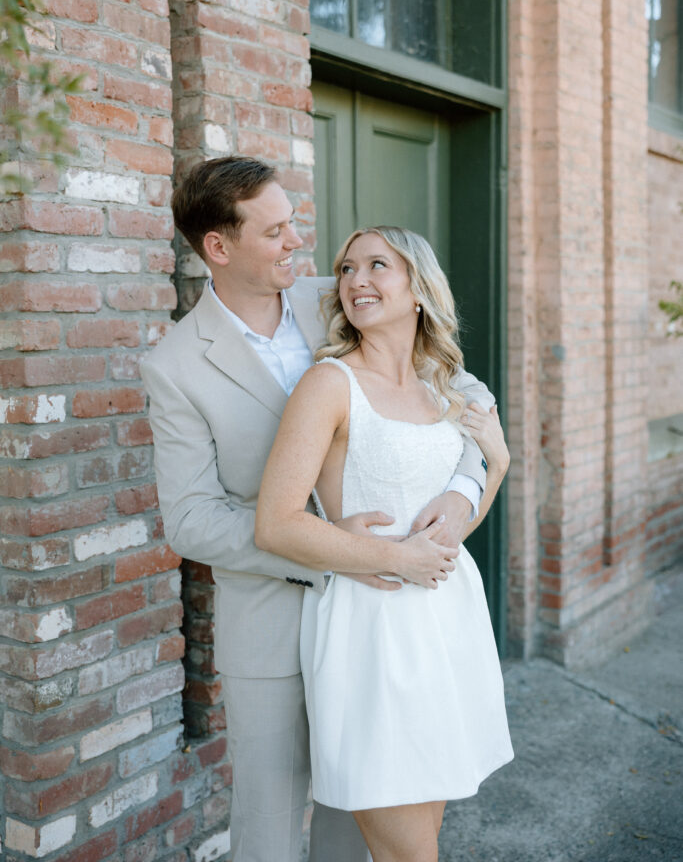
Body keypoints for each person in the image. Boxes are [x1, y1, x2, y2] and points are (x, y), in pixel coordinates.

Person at [141, 157, 497, 862]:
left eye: (292, 224)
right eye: (274, 231)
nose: (296, 242)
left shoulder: (338, 299)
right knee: (270, 826)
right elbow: (190, 518)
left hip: (381, 618)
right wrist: (332, 548)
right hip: (271, 619)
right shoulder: (174, 365)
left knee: (358, 816)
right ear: (219, 246)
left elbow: (462, 392)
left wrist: (462, 492)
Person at [255, 225, 513, 862]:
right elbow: (276, 523)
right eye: (347, 268)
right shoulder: (329, 384)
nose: (356, 280)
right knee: (410, 853)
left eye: (377, 265)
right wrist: (397, 557)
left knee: (424, 838)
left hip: (449, 624)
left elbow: (451, 535)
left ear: (419, 288)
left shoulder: (445, 385)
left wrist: (496, 468)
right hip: (373, 632)